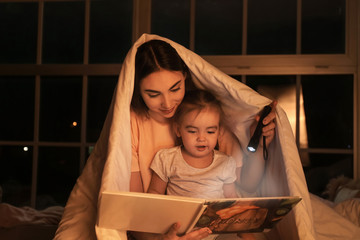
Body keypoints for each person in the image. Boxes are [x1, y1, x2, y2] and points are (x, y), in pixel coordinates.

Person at [129, 39, 277, 240]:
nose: (167, 103)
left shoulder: (206, 116)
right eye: (153, 94)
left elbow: (244, 187)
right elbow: (134, 209)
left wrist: (260, 144)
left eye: (175, 89)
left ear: (185, 78)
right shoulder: (136, 127)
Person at [147, 89, 238, 199]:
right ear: (178, 130)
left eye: (210, 132)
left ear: (219, 132)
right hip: (178, 215)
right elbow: (155, 193)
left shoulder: (225, 163)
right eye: (192, 131)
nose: (201, 138)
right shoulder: (167, 159)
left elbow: (231, 197)